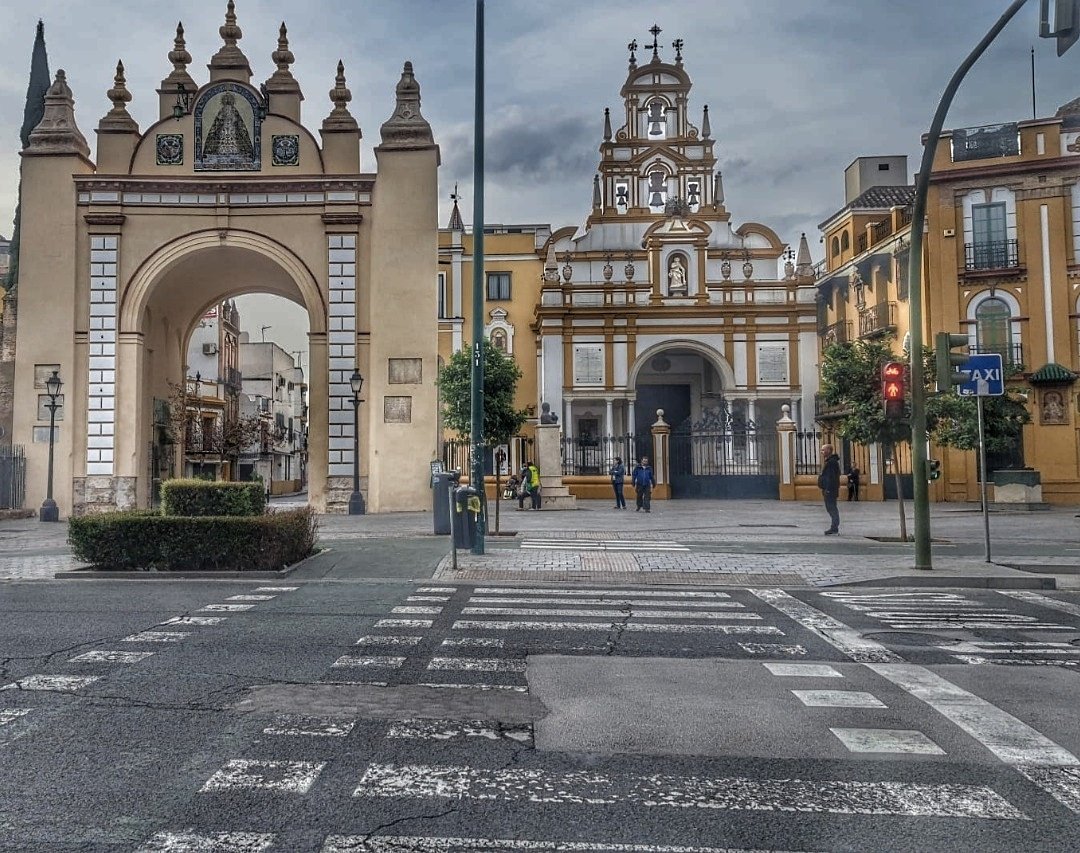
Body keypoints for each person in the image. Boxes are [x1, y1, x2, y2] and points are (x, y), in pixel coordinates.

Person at [818, 443, 840, 535]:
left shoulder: (831, 462)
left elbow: (831, 477)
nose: (821, 452)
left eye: (823, 450)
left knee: (832, 508)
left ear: (828, 451)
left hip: (830, 490)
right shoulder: (831, 461)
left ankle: (834, 528)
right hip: (829, 490)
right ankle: (834, 527)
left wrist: (828, 489)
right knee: (831, 508)